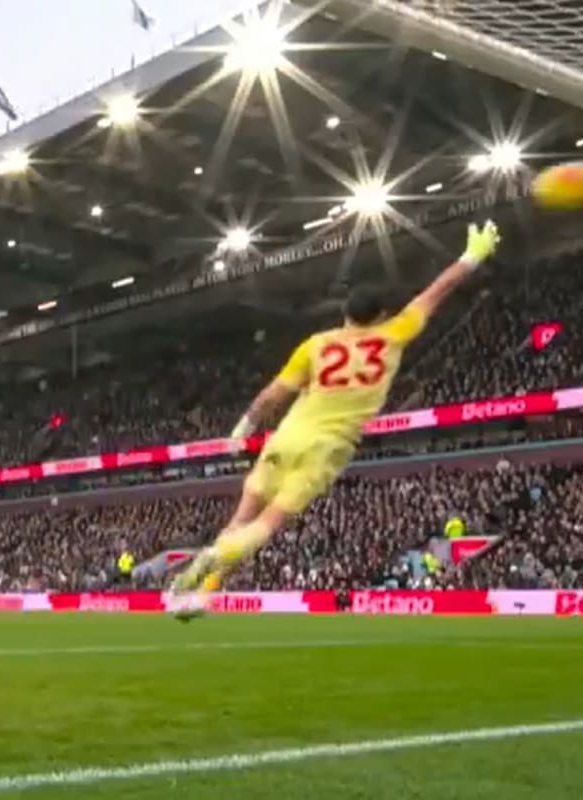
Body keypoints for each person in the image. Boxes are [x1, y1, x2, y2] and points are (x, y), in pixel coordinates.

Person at [170, 221, 502, 617]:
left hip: (288, 435)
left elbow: (274, 394)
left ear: (345, 312)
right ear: (380, 315)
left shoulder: (316, 344)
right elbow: (435, 293)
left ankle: (201, 588)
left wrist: (244, 428)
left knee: (244, 514)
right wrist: (471, 256)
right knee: (270, 523)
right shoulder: (392, 335)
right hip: (327, 447)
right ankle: (215, 560)